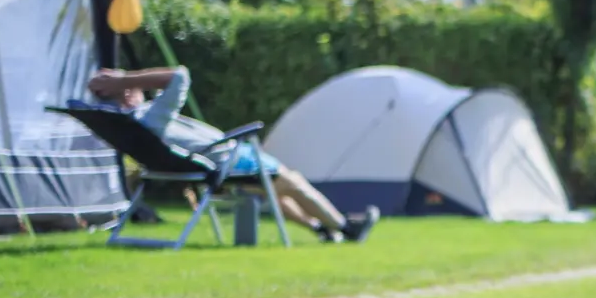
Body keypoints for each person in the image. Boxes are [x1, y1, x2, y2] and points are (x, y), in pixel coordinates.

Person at [81, 66, 380, 243]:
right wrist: (125, 80)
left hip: (212, 165)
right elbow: (179, 76)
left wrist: (122, 84)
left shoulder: (132, 125)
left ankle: (320, 229)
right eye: (130, 83)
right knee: (291, 181)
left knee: (275, 189)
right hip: (226, 161)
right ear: (126, 92)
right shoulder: (150, 117)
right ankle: (346, 228)